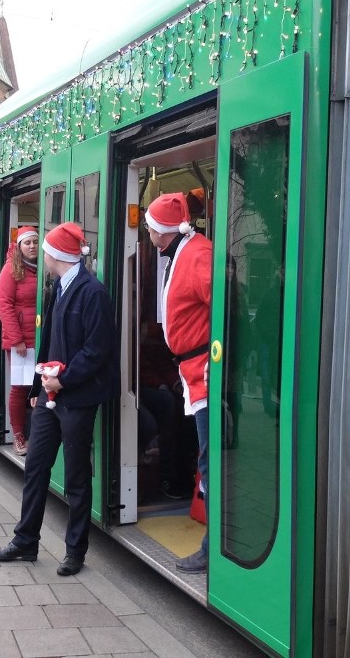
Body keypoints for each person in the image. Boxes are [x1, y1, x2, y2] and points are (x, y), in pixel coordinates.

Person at [0, 222, 119, 576]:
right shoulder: (56, 287)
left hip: (76, 397)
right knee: (36, 468)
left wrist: (63, 379)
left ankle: (76, 551)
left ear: (55, 254)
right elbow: (48, 343)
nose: (40, 254)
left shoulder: (93, 293)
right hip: (49, 395)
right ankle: (26, 541)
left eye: (43, 249)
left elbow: (97, 350)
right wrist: (36, 388)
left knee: (76, 476)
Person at [145, 192, 212, 573]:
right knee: (203, 452)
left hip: (203, 369)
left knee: (209, 456)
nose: (148, 230)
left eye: (151, 224)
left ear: (162, 231)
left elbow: (221, 304)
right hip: (191, 370)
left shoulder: (199, 255)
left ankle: (213, 546)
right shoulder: (183, 251)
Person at [0, 226, 39, 455]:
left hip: (39, 338)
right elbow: (4, 306)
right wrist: (17, 340)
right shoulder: (11, 270)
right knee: (20, 388)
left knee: (39, 386)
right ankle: (19, 436)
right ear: (19, 246)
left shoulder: (42, 269)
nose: (32, 246)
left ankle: (38, 434)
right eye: (27, 243)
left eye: (35, 242)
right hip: (21, 342)